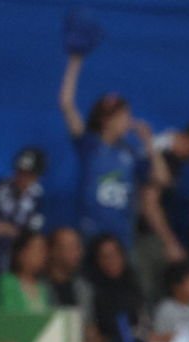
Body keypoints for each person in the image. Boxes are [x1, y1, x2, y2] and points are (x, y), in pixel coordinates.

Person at [58, 50, 159, 250]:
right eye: (122, 116)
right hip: (91, 233)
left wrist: (149, 143)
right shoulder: (89, 144)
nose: (127, 121)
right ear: (105, 120)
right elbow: (66, 104)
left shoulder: (131, 153)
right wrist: (75, 61)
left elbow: (159, 178)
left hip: (122, 235)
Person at [0, 147, 46, 301]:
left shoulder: (39, 199)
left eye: (28, 174)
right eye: (20, 172)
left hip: (15, 264)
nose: (22, 178)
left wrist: (8, 229)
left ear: (36, 176)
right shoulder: (1, 187)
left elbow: (30, 234)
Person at [84, 234, 146, 342]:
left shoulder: (133, 287)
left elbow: (143, 321)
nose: (111, 261)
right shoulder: (90, 289)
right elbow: (90, 325)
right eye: (105, 256)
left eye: (114, 255)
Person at [0, 231, 52, 313]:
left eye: (44, 250)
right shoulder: (6, 283)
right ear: (20, 252)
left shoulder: (43, 288)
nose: (42, 255)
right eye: (38, 249)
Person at [45, 226, 92, 312]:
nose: (77, 253)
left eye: (78, 247)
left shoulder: (84, 288)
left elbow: (89, 322)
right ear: (53, 251)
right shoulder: (39, 287)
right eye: (70, 247)